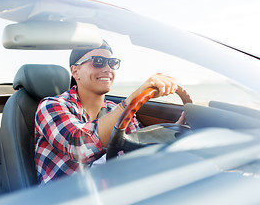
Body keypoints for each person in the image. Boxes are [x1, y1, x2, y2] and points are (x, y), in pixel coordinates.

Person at [34, 40, 180, 184]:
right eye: (98, 61)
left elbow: (140, 144)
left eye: (112, 62)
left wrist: (175, 130)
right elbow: (79, 145)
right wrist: (134, 97)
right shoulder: (50, 106)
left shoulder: (114, 109)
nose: (107, 69)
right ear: (75, 71)